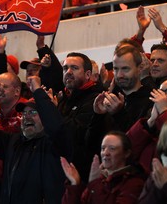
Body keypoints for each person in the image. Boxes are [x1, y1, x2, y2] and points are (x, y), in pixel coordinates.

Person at [0, 76, 72, 203]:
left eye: (33, 113)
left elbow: (56, 127)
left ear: (45, 117)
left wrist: (38, 91)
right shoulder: (11, 142)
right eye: (24, 114)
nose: (27, 117)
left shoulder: (55, 144)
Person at [61, 131, 146, 204]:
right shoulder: (101, 179)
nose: (105, 153)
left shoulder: (134, 184)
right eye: (103, 148)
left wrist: (95, 183)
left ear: (126, 153)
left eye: (112, 148)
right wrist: (74, 185)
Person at [59, 52, 102, 182]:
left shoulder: (95, 100)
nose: (68, 72)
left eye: (74, 68)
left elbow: (74, 133)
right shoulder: (63, 99)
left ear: (88, 74)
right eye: (65, 68)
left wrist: (52, 112)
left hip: (83, 175)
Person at [94, 45, 153, 132]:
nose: (119, 75)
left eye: (125, 69)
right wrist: (98, 115)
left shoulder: (151, 100)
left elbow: (138, 139)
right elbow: (90, 143)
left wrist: (118, 113)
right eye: (116, 69)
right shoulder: (110, 98)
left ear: (140, 68)